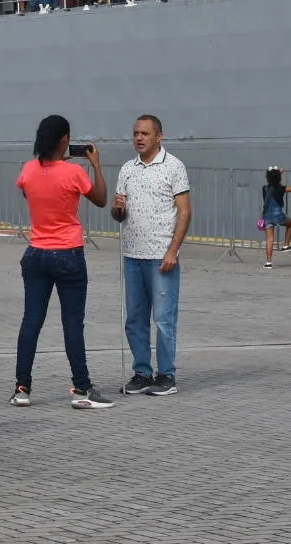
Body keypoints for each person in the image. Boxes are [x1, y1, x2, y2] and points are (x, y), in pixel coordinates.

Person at [12, 115, 111, 409]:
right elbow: (101, 198)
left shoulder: (28, 170)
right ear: (65, 140)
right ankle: (82, 387)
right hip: (68, 252)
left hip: (36, 253)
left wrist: (52, 164)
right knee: (72, 323)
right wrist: (95, 165)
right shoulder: (74, 173)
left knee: (32, 320)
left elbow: (26, 188)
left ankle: (22, 387)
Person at [114, 114, 191, 398]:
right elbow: (118, 215)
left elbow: (185, 212)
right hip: (132, 255)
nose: (138, 138)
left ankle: (167, 375)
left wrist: (173, 250)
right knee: (135, 318)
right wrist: (118, 207)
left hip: (161, 257)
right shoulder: (127, 170)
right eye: (135, 133)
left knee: (163, 318)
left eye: (145, 133)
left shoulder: (173, 167)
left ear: (159, 136)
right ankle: (142, 372)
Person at [262, 167, 291, 268]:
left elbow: (272, 186)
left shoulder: (264, 188)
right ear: (278, 178)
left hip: (267, 215)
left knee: (270, 239)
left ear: (268, 177)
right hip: (278, 215)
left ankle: (268, 263)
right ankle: (286, 245)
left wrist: (277, 173)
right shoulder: (281, 188)